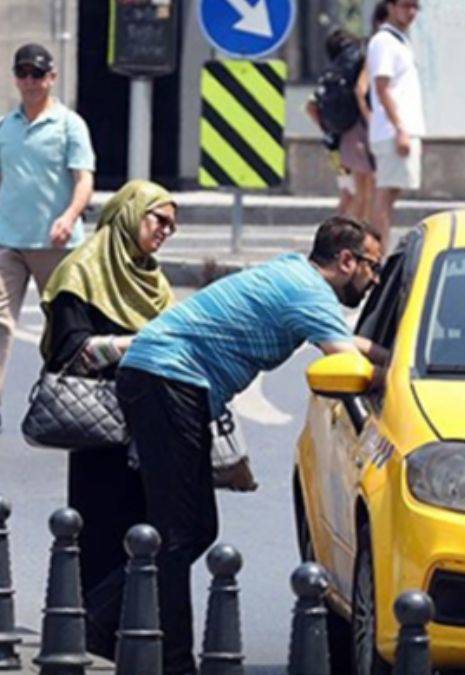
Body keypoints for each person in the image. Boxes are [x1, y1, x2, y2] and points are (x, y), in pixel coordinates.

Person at [107, 217, 388, 674]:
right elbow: (348, 361)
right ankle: (168, 659)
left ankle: (105, 620)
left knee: (191, 528)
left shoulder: (297, 277)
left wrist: (390, 355)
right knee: (180, 531)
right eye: (372, 267)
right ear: (346, 260)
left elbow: (348, 339)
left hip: (165, 380)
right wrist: (403, 375)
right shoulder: (309, 293)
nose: (374, 280)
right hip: (168, 380)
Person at [39, 180, 176, 657]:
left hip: (149, 425)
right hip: (98, 427)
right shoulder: (81, 272)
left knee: (147, 533)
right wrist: (131, 346)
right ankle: (89, 635)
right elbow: (67, 351)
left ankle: (129, 637)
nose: (165, 233)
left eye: (172, 227)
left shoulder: (152, 280)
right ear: (129, 213)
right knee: (99, 531)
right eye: (158, 220)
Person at [0, 43, 95, 422]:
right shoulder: (6, 127)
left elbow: (83, 178)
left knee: (64, 329)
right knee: (0, 323)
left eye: (37, 74)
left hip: (57, 245)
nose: (30, 81)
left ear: (51, 77)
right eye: (23, 73)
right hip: (9, 243)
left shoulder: (69, 125)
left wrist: (69, 216)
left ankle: (70, 403)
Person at [368, 0, 425, 251]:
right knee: (385, 196)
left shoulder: (400, 40)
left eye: (415, 6)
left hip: (402, 129)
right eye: (405, 5)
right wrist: (400, 128)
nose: (411, 12)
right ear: (390, 6)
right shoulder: (384, 41)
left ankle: (378, 253)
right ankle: (377, 256)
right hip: (394, 131)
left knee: (391, 195)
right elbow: (382, 88)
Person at [305, 29, 375, 222]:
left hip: (334, 145)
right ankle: (340, 233)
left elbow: (310, 106)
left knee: (347, 192)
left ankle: (336, 230)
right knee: (359, 192)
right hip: (354, 138)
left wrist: (326, 127)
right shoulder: (353, 67)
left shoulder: (331, 72)